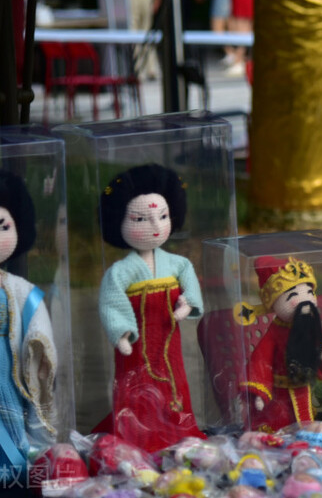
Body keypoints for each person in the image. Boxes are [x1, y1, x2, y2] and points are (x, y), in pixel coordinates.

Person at [97, 164, 204, 453]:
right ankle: (137, 436)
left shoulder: (178, 264)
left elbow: (191, 290)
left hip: (169, 340)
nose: (156, 227)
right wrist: (121, 333)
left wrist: (187, 303)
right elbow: (110, 302)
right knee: (136, 390)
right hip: (136, 343)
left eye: (163, 216)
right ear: (120, 221)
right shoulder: (121, 271)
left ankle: (176, 431)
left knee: (174, 383)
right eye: (141, 219)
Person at [0, 166, 56, 490]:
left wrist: (38, 344)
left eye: (1, 226)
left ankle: (11, 471)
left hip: (8, 371)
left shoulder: (20, 289)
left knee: (8, 417)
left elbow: (37, 325)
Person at [239, 256, 322, 431]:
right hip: (279, 392)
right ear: (274, 304)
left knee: (305, 416)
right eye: (294, 295)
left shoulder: (308, 325)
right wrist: (259, 394)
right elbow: (261, 361)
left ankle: (308, 433)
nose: (306, 300)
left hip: (303, 386)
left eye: (309, 292)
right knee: (280, 420)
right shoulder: (274, 334)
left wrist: (320, 354)